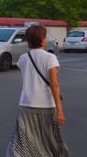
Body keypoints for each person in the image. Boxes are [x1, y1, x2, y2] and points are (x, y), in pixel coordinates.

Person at [6, 25, 69, 156]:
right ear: (43, 40)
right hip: (46, 106)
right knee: (49, 141)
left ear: (29, 41)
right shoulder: (50, 58)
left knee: (24, 142)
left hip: (26, 104)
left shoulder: (23, 58)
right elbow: (54, 84)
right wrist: (60, 111)